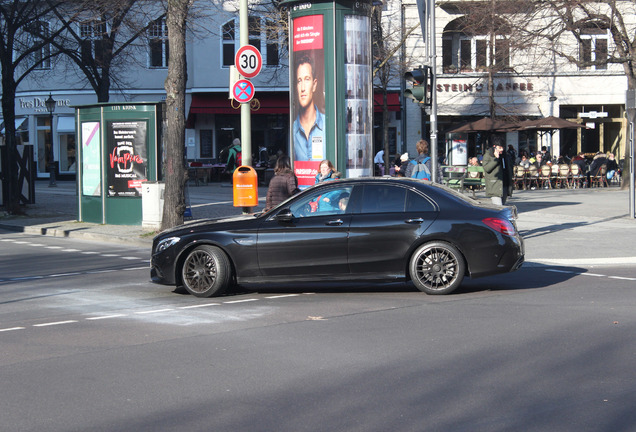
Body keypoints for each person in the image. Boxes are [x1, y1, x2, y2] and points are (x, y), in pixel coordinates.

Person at [293, 55, 325, 161]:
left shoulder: (327, 126)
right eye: (299, 81)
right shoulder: (293, 129)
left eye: (307, 79)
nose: (302, 88)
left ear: (314, 84)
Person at [482, 138, 513, 205]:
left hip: (505, 184)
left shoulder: (505, 155)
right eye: (500, 148)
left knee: (502, 205)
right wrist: (495, 159)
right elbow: (487, 168)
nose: (502, 149)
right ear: (494, 146)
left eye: (503, 147)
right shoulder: (488, 155)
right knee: (499, 207)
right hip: (494, 185)